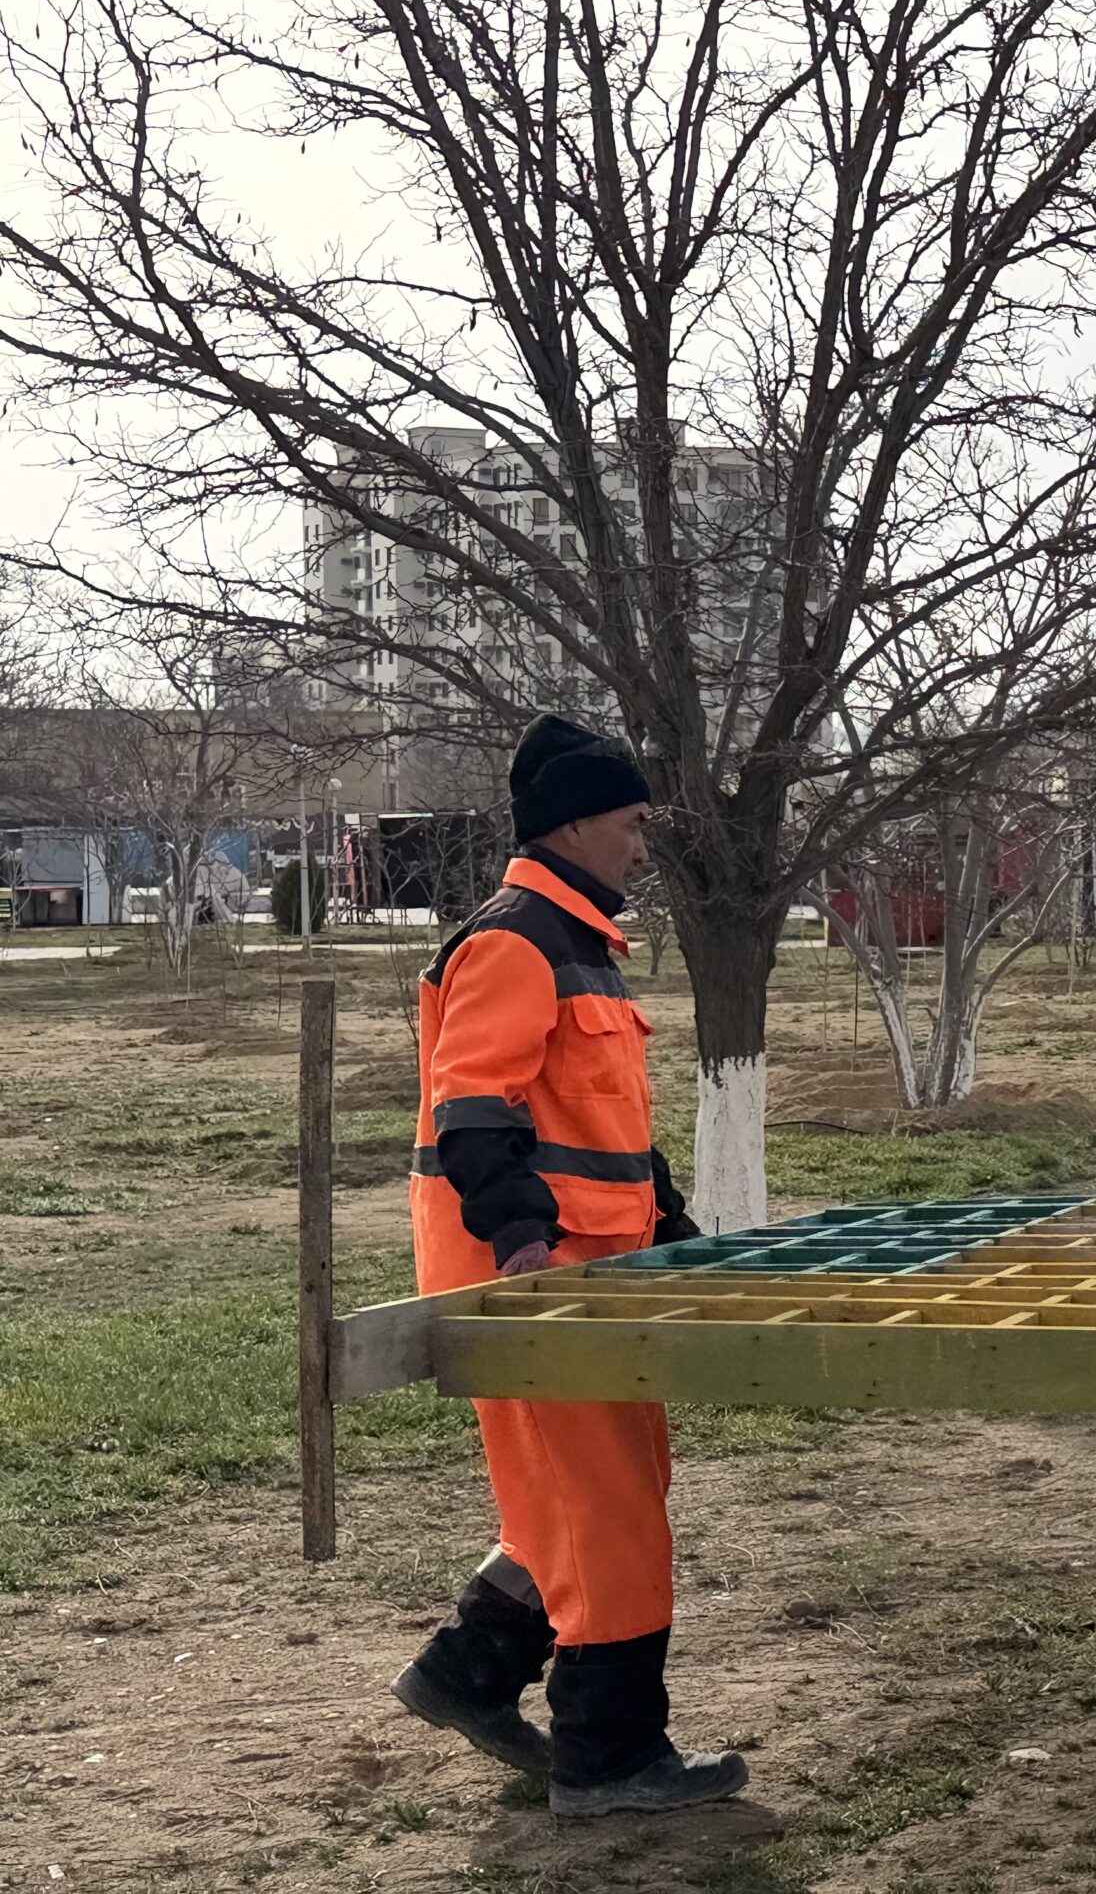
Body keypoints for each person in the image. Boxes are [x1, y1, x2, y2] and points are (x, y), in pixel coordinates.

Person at [389, 715, 747, 1817]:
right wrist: (523, 1251)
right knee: (607, 1514)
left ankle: (469, 1671)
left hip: (592, 1275)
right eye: (631, 824)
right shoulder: (516, 941)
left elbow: (603, 1128)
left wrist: (670, 1226)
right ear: (576, 823)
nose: (641, 846)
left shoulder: (576, 941)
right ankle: (610, 1756)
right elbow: (472, 1110)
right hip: (534, 1283)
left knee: (598, 1495)